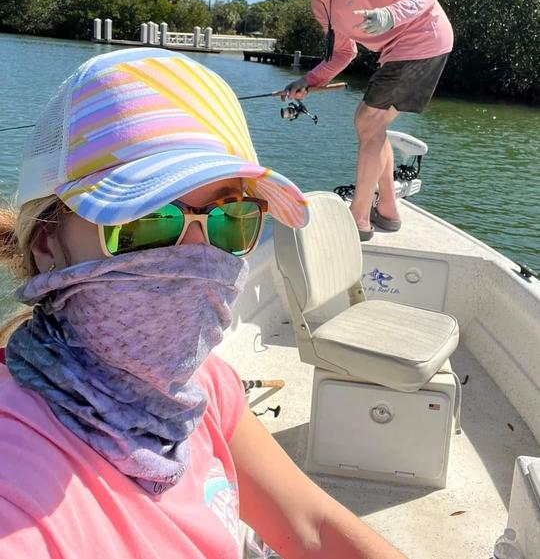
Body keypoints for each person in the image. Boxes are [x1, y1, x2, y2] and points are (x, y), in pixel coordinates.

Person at [0, 47, 407, 559]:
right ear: (46, 246)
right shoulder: (17, 485)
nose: (198, 258)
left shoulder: (203, 387)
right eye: (145, 222)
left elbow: (312, 526)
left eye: (230, 219)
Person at [269, 0, 454, 241]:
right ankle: (389, 210)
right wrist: (308, 81)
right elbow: (343, 52)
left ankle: (358, 218)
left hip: (423, 37)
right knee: (373, 127)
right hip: (394, 52)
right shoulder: (320, 6)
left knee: (366, 121)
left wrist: (391, 15)